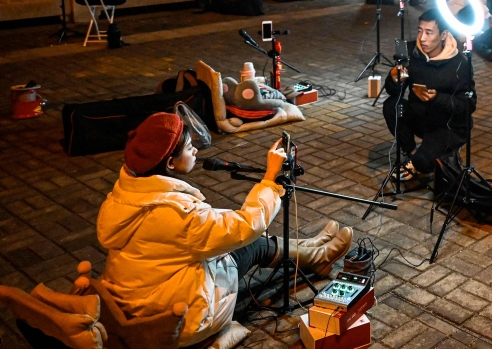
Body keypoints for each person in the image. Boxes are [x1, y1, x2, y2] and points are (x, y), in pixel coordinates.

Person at [97, 114, 353, 347]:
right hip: (178, 315)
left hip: (146, 295)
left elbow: (201, 227)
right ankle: (318, 257)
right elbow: (247, 225)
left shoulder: (125, 196)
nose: (195, 150)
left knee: (240, 233)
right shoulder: (176, 215)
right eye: (188, 148)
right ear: (170, 164)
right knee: (250, 240)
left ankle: (313, 247)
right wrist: (270, 181)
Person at [383, 8, 476, 180]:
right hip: (420, 119)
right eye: (420, 31)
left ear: (443, 35)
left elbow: (468, 105)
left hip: (447, 126)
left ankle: (425, 158)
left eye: (429, 32)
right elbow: (395, 92)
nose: (422, 38)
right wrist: (395, 79)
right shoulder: (411, 53)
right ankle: (411, 152)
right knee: (392, 106)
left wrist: (437, 98)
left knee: (424, 165)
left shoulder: (460, 63)